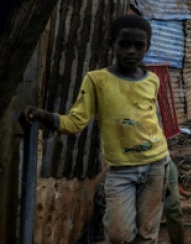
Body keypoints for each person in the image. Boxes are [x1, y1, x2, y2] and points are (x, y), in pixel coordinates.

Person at [24, 14, 169, 243]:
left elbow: (152, 118)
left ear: (147, 47)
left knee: (147, 233)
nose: (131, 50)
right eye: (124, 44)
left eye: (139, 45)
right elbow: (76, 122)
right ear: (112, 43)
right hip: (121, 170)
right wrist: (46, 117)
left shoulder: (152, 80)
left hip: (156, 165)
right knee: (118, 235)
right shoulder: (96, 80)